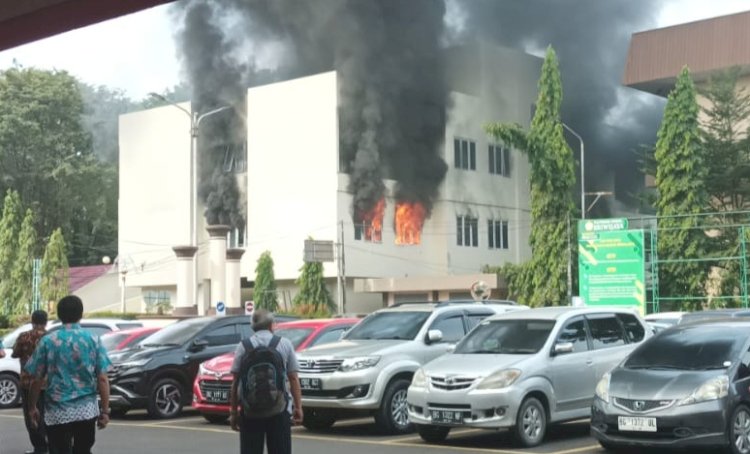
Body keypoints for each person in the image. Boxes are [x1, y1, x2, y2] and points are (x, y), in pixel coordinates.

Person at [25, 295, 112, 454]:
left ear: (59, 315)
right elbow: (102, 378)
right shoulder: (93, 340)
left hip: (57, 410)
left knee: (59, 449)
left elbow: (36, 379)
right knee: (83, 449)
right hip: (86, 410)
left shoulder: (48, 341)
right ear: (81, 314)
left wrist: (32, 407)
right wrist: (105, 411)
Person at [229, 309, 303, 454]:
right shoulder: (284, 344)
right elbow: (293, 378)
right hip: (279, 411)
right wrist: (298, 407)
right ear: (271, 325)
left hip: (250, 412)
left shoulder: (243, 346)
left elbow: (235, 382)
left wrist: (233, 412)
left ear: (253, 327)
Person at [12, 310, 50, 454]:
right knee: (48, 415)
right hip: (48, 384)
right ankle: (51, 445)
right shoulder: (51, 337)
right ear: (46, 322)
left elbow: (15, 353)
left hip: (28, 383)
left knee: (31, 415)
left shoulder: (24, 336)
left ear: (32, 321)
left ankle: (39, 448)